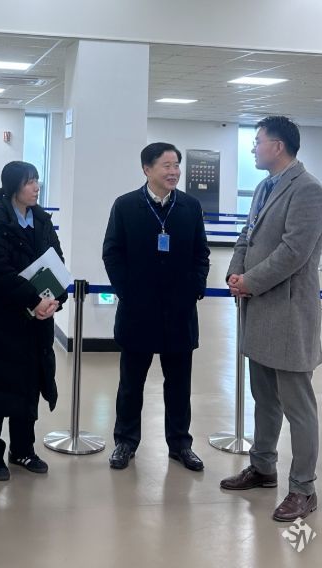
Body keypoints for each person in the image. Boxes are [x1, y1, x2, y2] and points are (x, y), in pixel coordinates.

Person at [221, 116, 322, 522]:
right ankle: (263, 466)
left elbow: (293, 252)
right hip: (259, 308)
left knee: (298, 406)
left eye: (258, 141)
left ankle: (303, 488)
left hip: (288, 313)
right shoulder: (265, 187)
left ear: (278, 146)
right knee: (264, 397)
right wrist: (235, 273)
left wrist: (249, 281)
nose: (253, 148)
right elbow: (247, 236)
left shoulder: (308, 190)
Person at [102, 142, 210, 472]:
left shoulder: (190, 206)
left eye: (176, 165)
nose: (174, 171)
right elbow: (112, 252)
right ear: (147, 169)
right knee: (130, 384)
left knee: (179, 385)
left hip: (179, 311)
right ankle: (125, 441)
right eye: (166, 165)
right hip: (138, 311)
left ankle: (180, 444)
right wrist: (128, 292)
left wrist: (194, 288)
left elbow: (201, 253)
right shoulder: (125, 205)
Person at [0, 161, 66, 481]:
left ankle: (23, 449)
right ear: (13, 186)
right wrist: (33, 300)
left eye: (37, 180)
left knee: (29, 385)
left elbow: (57, 262)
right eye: (29, 182)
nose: (36, 187)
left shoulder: (41, 219)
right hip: (1, 320)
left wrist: (54, 300)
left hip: (37, 320)